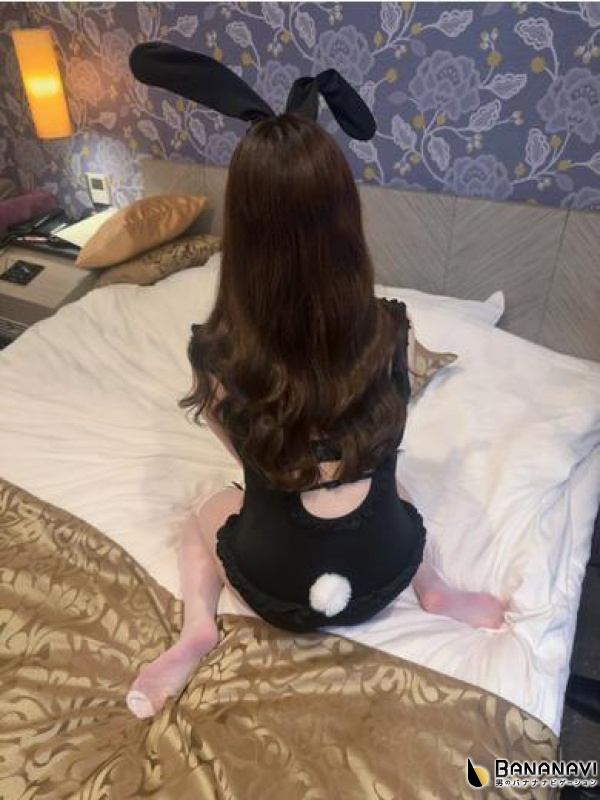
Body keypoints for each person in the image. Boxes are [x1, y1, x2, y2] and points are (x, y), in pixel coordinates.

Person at [126, 114, 506, 720]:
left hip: (277, 583)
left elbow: (251, 461)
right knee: (392, 484)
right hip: (382, 571)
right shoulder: (394, 330)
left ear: (243, 231)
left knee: (205, 511)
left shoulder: (217, 353)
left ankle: (196, 630)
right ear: (346, 219)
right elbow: (387, 426)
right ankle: (434, 588)